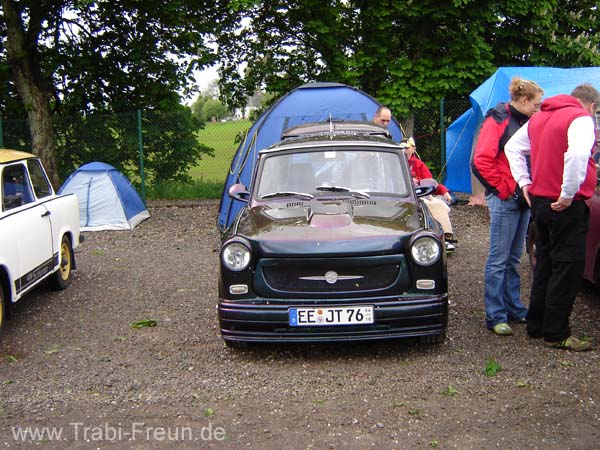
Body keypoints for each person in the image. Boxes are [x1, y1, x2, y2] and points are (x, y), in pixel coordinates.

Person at [505, 83, 599, 351]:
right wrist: (568, 193)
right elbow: (578, 154)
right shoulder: (579, 119)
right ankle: (557, 333)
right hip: (565, 205)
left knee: (545, 263)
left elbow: (512, 147)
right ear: (591, 107)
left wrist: (525, 182)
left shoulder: (541, 116)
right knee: (567, 268)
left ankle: (537, 324)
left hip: (541, 202)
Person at [471, 77, 544, 336]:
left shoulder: (526, 120)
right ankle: (495, 314)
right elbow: (481, 160)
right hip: (506, 197)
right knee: (499, 259)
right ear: (523, 101)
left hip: (523, 196)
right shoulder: (498, 118)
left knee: (514, 258)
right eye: (536, 104)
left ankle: (513, 307)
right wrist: (506, 190)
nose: (538, 109)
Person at [399, 137, 457, 252]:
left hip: (422, 193)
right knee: (428, 205)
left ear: (413, 149)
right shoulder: (395, 162)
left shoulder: (418, 164)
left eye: (407, 148)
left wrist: (444, 191)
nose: (404, 151)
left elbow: (430, 182)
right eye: (402, 148)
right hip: (404, 195)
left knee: (439, 204)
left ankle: (446, 237)